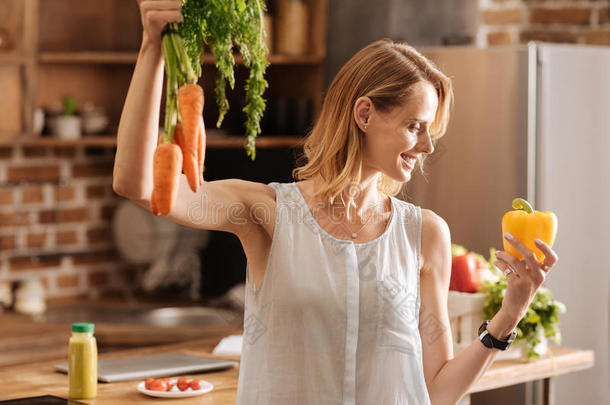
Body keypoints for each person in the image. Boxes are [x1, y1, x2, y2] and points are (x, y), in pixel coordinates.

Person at [114, 1, 559, 404]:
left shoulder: (424, 234)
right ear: (364, 114)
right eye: (414, 127)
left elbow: (437, 390)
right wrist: (152, 46)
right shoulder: (269, 214)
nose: (426, 146)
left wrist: (511, 312)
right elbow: (136, 184)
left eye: (430, 132)